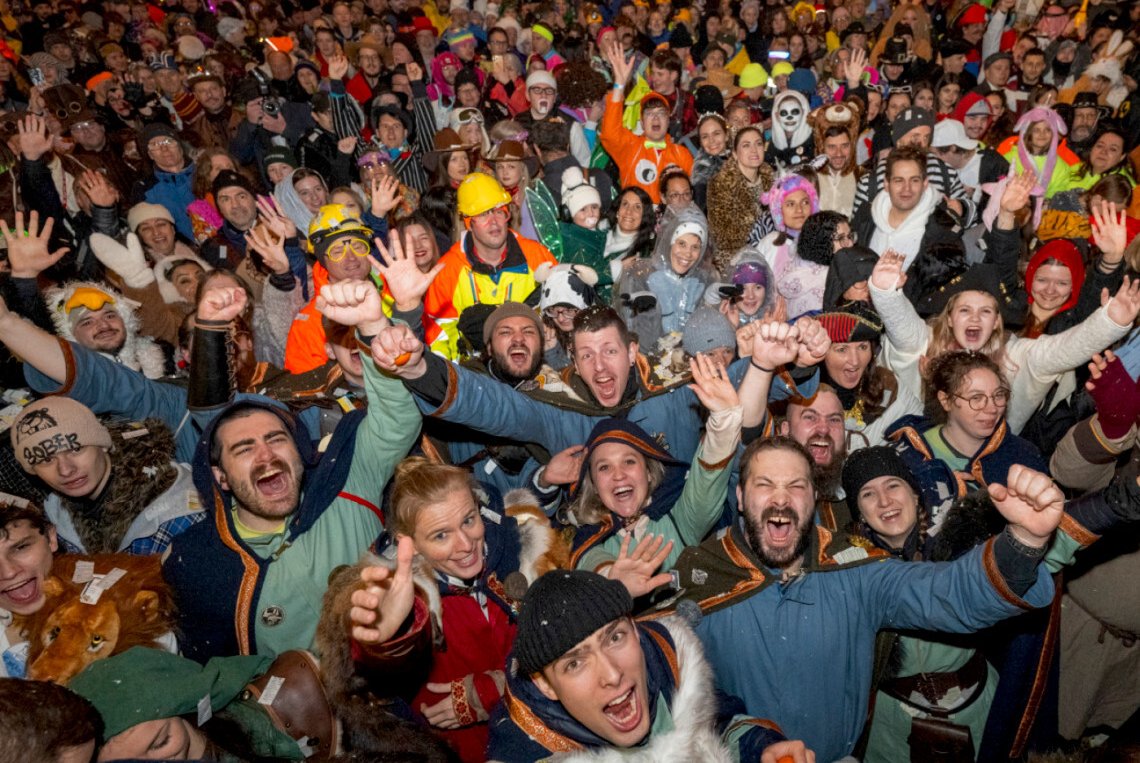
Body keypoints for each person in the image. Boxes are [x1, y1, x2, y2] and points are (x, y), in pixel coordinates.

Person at [668, 435, 1064, 763]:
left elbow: (947, 594)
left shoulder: (853, 569)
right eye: (764, 485)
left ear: (813, 500)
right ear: (739, 496)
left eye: (796, 486)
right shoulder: (701, 579)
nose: (781, 499)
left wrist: (1024, 544)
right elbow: (664, 689)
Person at [162, 277, 422, 661]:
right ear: (220, 478)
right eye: (245, 449)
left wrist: (372, 328)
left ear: (301, 450)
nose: (266, 456)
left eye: (277, 439)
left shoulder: (347, 482)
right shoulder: (200, 560)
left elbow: (397, 419)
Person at [338, 458, 556, 762]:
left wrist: (494, 688)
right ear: (409, 544)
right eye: (441, 535)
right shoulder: (406, 598)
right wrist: (385, 639)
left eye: (468, 520)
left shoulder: (520, 555)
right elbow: (385, 665)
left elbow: (569, 653)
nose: (466, 544)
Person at [484, 570, 805, 762]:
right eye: (575, 663)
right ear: (545, 685)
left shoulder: (666, 667)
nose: (612, 674)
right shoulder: (523, 753)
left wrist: (759, 748)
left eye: (615, 638)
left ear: (635, 631)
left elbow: (719, 721)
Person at [420, 173, 557, 359]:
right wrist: (458, 377)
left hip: (531, 364)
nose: (494, 221)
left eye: (499, 211)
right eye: (484, 214)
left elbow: (560, 311)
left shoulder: (536, 256)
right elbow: (438, 335)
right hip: (474, 374)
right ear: (468, 222)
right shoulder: (448, 270)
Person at [599, 38, 693, 203]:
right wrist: (619, 85)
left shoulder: (682, 154)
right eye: (649, 114)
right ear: (641, 122)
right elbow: (609, 132)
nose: (656, 118)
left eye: (661, 113)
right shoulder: (629, 147)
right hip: (637, 222)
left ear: (668, 120)